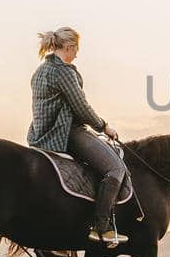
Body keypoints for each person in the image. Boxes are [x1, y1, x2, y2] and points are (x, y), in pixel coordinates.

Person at [28, 27, 131, 242]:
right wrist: (104, 127)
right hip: (65, 133)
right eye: (76, 49)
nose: (77, 54)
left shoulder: (40, 70)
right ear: (68, 47)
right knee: (115, 168)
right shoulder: (63, 72)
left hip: (39, 134)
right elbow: (81, 107)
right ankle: (101, 226)